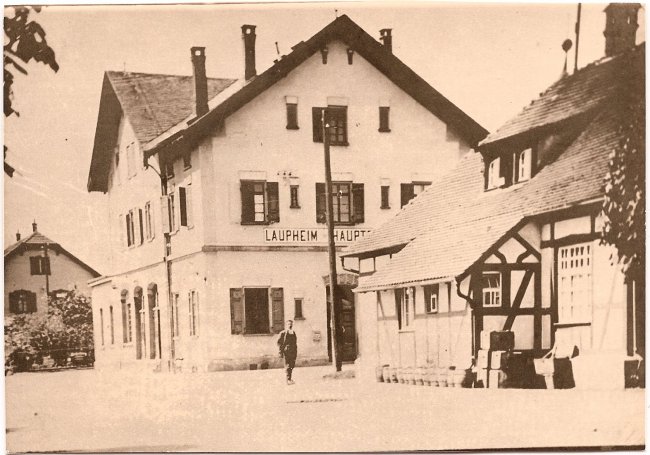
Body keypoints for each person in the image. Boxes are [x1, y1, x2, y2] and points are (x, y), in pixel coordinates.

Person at [277, 320, 297, 385]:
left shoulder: (293, 332)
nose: (290, 325)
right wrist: (280, 352)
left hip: (293, 351)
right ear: (286, 325)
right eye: (288, 324)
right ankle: (288, 379)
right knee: (288, 365)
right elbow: (279, 343)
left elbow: (295, 343)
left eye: (291, 324)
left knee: (292, 365)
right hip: (287, 351)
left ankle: (289, 378)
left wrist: (295, 351)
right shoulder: (283, 333)